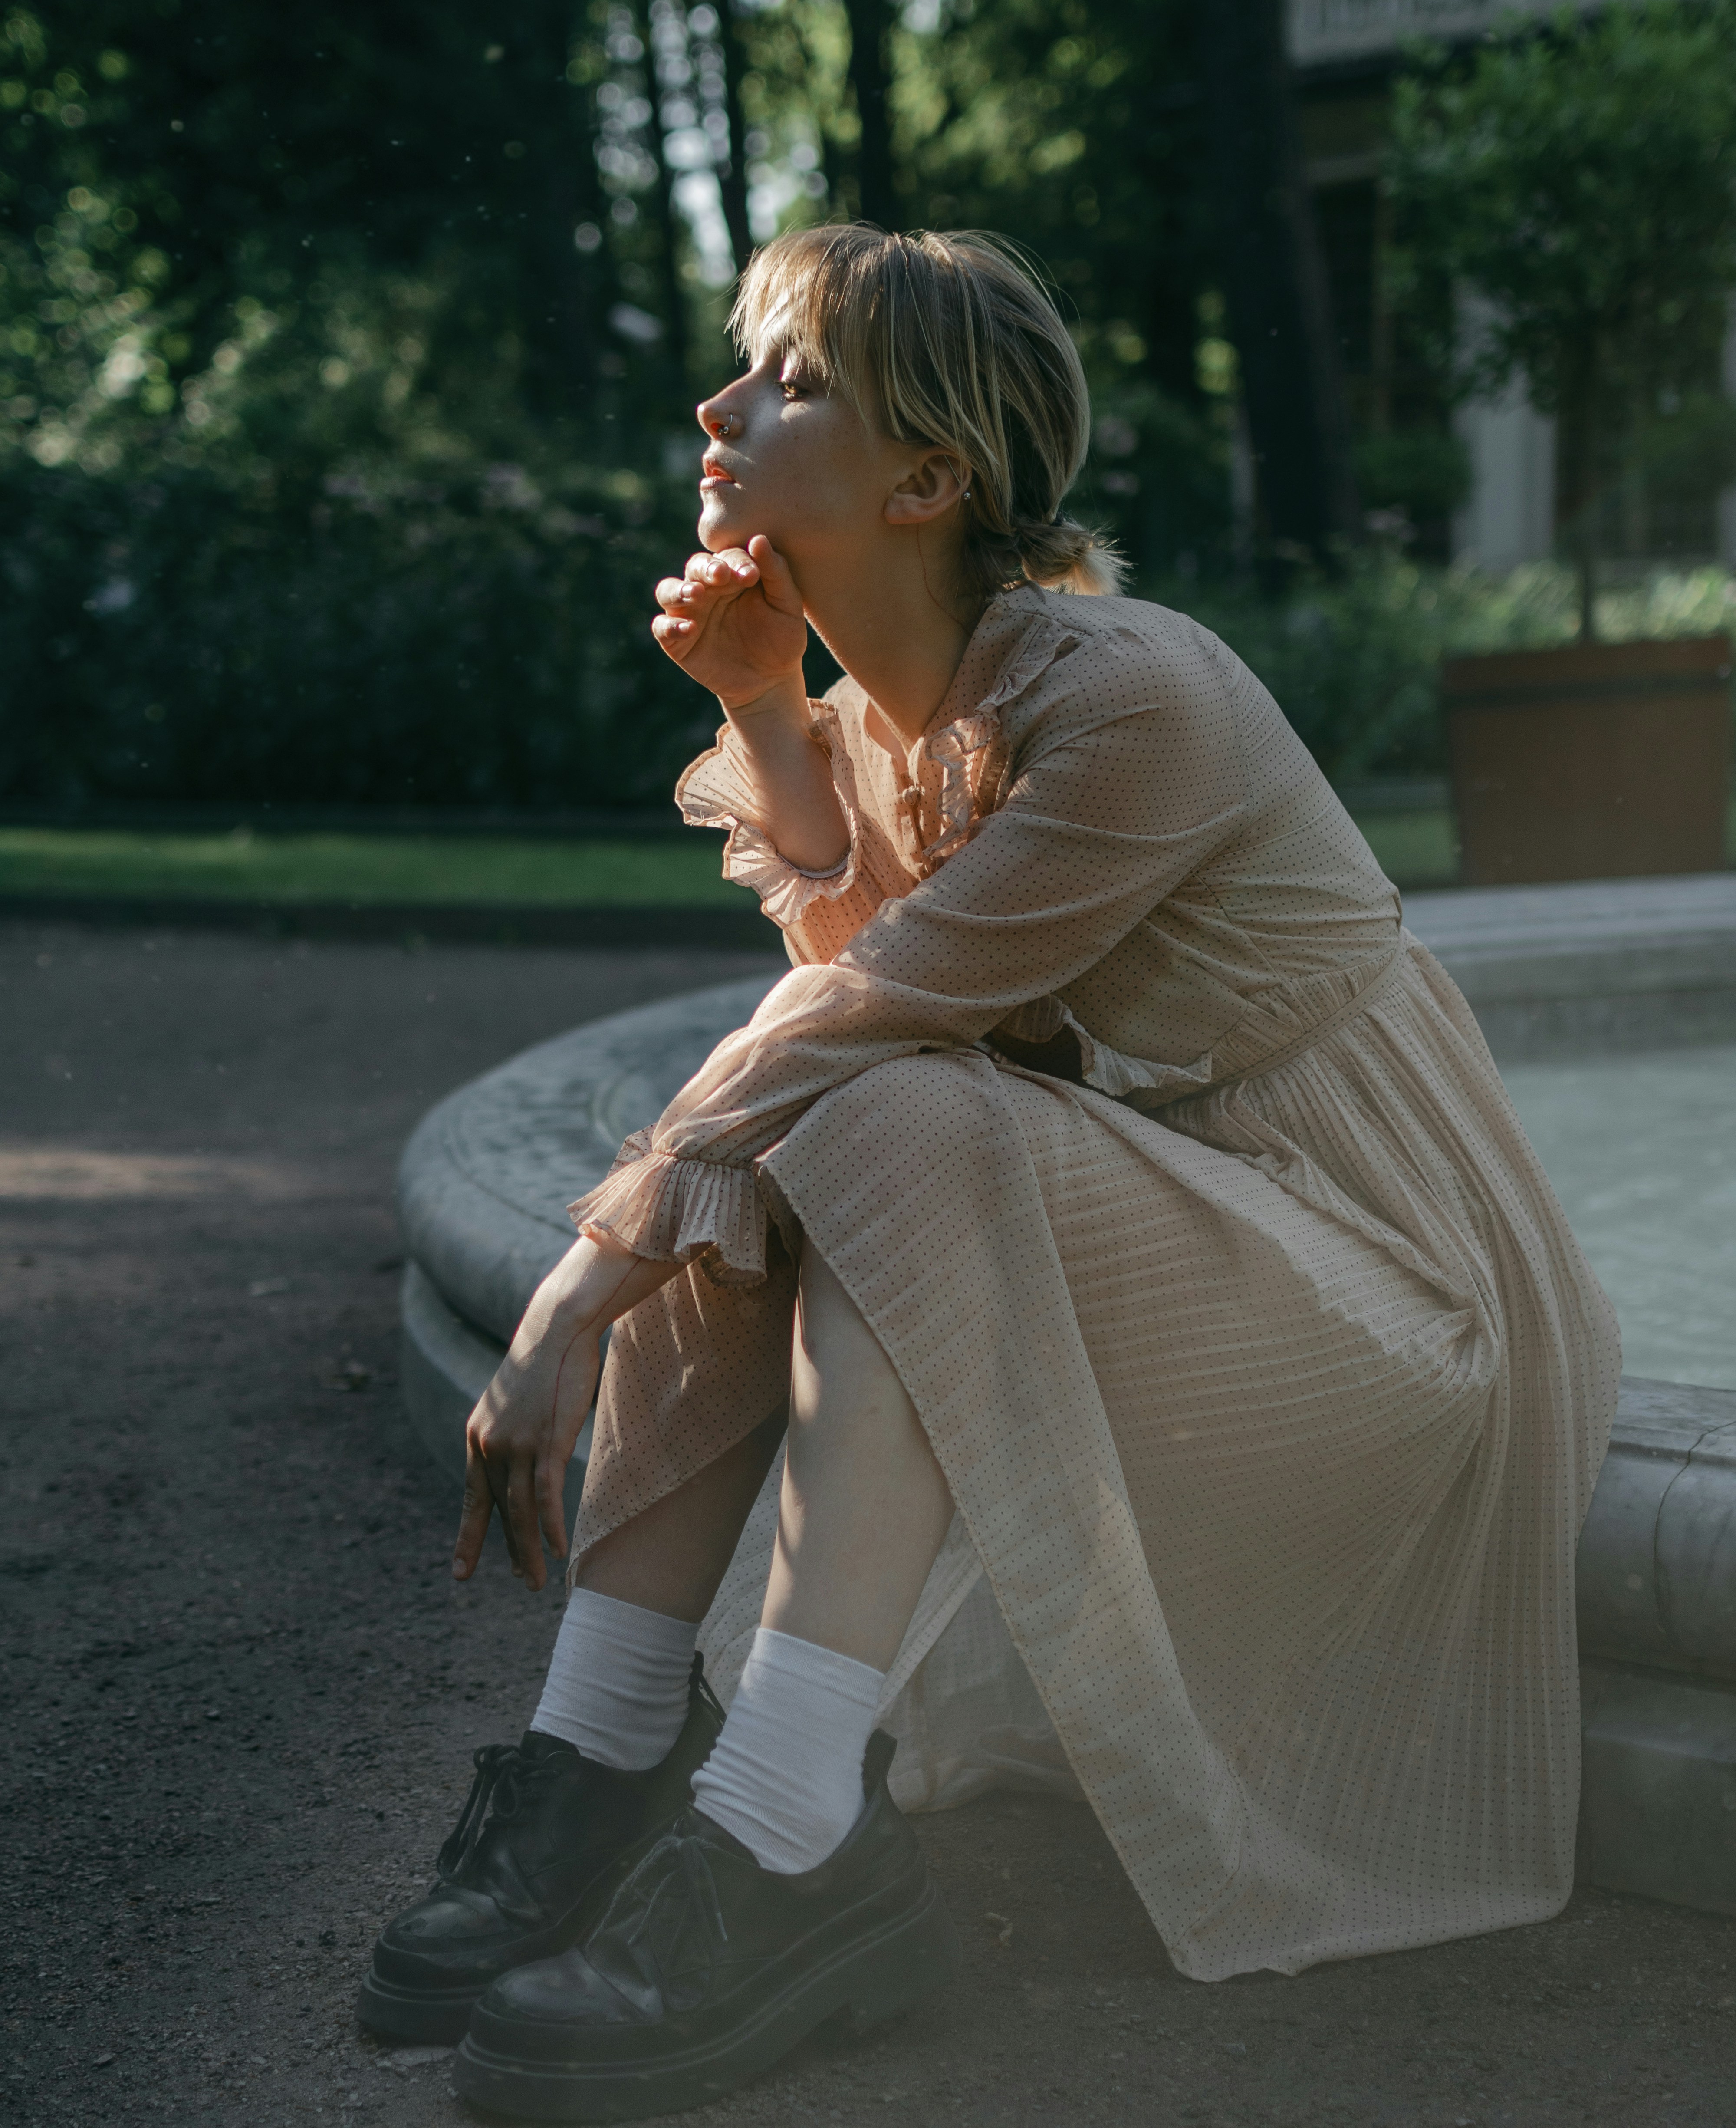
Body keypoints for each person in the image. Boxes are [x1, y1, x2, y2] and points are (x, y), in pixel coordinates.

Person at [360, 226, 1620, 2119]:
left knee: (862, 1111)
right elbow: (858, 987)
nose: (716, 406)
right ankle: (601, 1751)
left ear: (927, 478)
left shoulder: (1129, 698)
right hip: (1179, 1225)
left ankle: (787, 1835)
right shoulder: (900, 710)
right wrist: (773, 714)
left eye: (781, 377)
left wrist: (571, 1285)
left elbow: (867, 1016)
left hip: (1390, 1289)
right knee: (818, 1118)